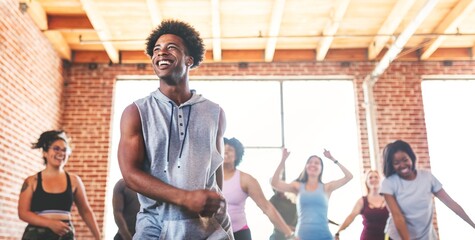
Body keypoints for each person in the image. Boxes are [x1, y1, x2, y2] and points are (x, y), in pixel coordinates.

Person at [117, 19, 233, 239]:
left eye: (171, 47)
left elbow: (215, 167)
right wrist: (184, 198)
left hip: (211, 228)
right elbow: (130, 175)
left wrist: (214, 202)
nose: (161, 53)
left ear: (189, 59)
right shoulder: (135, 112)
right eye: (156, 49)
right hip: (156, 227)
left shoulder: (215, 113)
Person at [380, 140, 475, 240]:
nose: (402, 165)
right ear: (391, 165)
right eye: (396, 163)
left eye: (405, 160)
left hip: (427, 236)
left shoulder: (427, 178)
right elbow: (398, 217)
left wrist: (473, 224)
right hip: (398, 237)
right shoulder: (389, 183)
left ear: (411, 157)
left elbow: (450, 203)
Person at [18, 130, 101, 240]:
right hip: (36, 235)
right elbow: (23, 213)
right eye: (56, 148)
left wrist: (99, 237)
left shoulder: (74, 181)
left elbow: (85, 211)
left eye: (64, 150)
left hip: (64, 235)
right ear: (45, 153)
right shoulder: (32, 181)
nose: (61, 153)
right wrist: (50, 224)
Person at [222, 137, 296, 240]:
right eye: (223, 148)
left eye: (230, 149)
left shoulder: (246, 179)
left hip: (239, 234)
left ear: (236, 155)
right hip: (213, 233)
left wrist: (290, 234)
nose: (226, 151)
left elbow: (267, 207)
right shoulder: (208, 178)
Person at [271, 147, 353, 240]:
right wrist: (283, 160)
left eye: (317, 163)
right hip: (303, 235)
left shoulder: (327, 188)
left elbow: (349, 176)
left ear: (321, 168)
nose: (313, 164)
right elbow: (275, 183)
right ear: (306, 167)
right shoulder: (298, 186)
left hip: (324, 235)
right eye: (310, 162)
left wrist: (332, 159)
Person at [334, 170, 389, 240]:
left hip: (387, 237)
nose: (373, 179)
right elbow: (351, 217)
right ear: (366, 182)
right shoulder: (362, 201)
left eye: (376, 177)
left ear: (380, 180)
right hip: (368, 237)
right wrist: (338, 232)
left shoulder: (388, 199)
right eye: (370, 178)